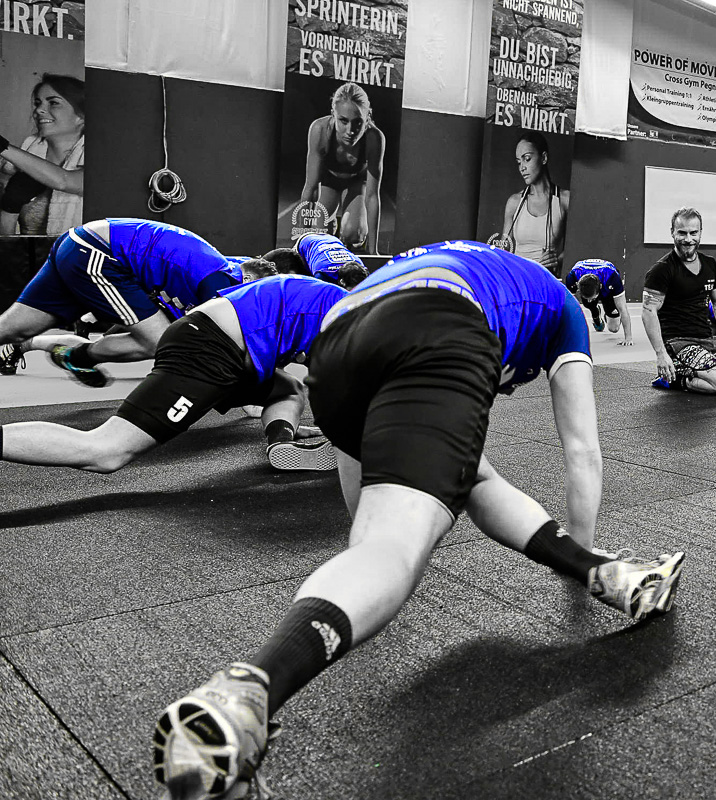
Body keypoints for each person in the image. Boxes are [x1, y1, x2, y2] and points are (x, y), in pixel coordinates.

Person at [152, 240, 685, 799]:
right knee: (395, 550)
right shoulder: (563, 311)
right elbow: (581, 450)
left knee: (467, 478)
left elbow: (366, 499)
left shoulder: (475, 264)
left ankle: (595, 569)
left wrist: (372, 551)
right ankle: (249, 692)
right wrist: (394, 555)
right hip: (439, 327)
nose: (509, 387)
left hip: (337, 343)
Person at [0, 274, 346, 475]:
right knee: (107, 451)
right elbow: (339, 389)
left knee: (286, 389)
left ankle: (282, 443)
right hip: (209, 349)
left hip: (220, 342)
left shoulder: (341, 302)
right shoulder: (354, 316)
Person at [0, 218, 271, 386]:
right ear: (248, 277)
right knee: (164, 342)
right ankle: (74, 354)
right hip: (100, 255)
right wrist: (253, 396)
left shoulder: (230, 268)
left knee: (12, 328)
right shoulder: (222, 282)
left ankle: (40, 347)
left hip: (81, 244)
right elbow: (228, 346)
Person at [643, 208, 716, 394]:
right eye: (682, 233)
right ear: (672, 232)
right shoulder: (661, 270)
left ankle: (702, 372)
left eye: (693, 233)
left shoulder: (709, 264)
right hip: (679, 342)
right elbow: (648, 312)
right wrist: (661, 354)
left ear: (700, 233)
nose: (688, 239)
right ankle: (675, 379)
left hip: (708, 340)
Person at [297, 82, 386, 255]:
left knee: (353, 234)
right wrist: (301, 246)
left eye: (357, 123)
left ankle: (349, 229)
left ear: (367, 117)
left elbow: (372, 196)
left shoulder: (374, 138)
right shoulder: (319, 130)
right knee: (319, 234)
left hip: (356, 183)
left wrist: (374, 252)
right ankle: (332, 224)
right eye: (343, 121)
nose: (350, 131)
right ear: (333, 115)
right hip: (329, 182)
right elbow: (311, 188)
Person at [0, 75, 85, 236]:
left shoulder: (100, 160)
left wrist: (3, 147)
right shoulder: (13, 168)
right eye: (38, 103)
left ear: (81, 116)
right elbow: (6, 240)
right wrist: (9, 207)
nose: (39, 110)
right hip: (26, 259)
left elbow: (63, 180)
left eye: (53, 103)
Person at [491, 131, 569, 275]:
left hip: (546, 281)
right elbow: (503, 251)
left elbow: (576, 249)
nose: (522, 168)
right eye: (519, 162)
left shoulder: (564, 200)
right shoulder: (514, 202)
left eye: (527, 159)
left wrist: (557, 260)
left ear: (544, 158)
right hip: (518, 279)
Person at [261, 231, 368, 289]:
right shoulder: (322, 274)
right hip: (305, 242)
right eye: (351, 290)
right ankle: (258, 263)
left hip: (331, 240)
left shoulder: (360, 266)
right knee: (296, 280)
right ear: (342, 282)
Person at [564, 258, 632, 345]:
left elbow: (623, 309)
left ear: (600, 287)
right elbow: (568, 309)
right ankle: (595, 312)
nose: (589, 300)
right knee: (588, 304)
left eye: (592, 298)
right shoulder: (572, 277)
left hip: (608, 290)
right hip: (590, 284)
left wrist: (628, 338)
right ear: (578, 285)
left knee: (614, 328)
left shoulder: (613, 278)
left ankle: (607, 314)